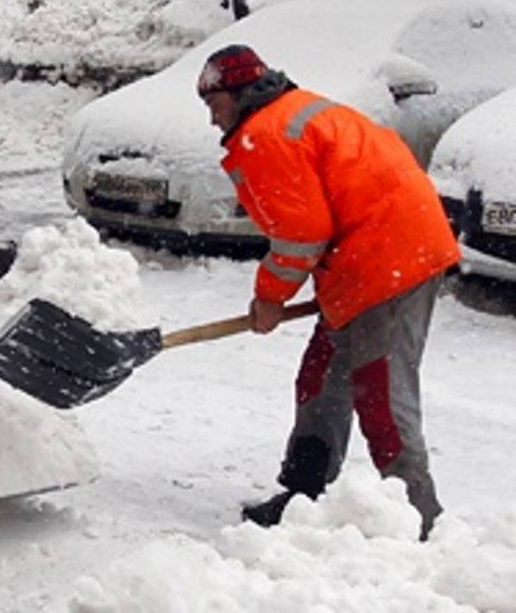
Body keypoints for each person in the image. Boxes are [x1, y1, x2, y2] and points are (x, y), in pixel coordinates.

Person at [196, 43, 459, 541]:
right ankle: (304, 496)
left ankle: (420, 522)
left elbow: (301, 235)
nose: (212, 121)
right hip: (369, 256)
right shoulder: (292, 112)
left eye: (214, 106)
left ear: (240, 94)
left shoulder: (268, 134)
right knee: (323, 378)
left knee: (380, 393)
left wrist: (270, 298)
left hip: (391, 260)